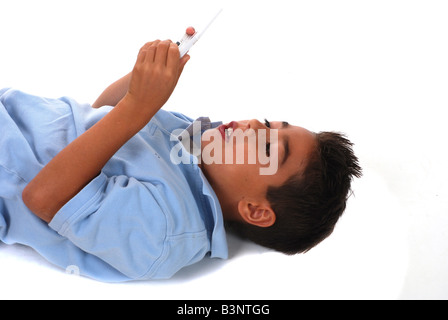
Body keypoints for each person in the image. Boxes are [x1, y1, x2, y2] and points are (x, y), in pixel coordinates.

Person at [0, 40, 361, 282]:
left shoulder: (166, 231)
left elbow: (43, 198)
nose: (252, 125)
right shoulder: (195, 143)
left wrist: (140, 106)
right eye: (267, 124)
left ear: (255, 210)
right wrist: (148, 79)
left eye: (267, 148)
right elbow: (100, 116)